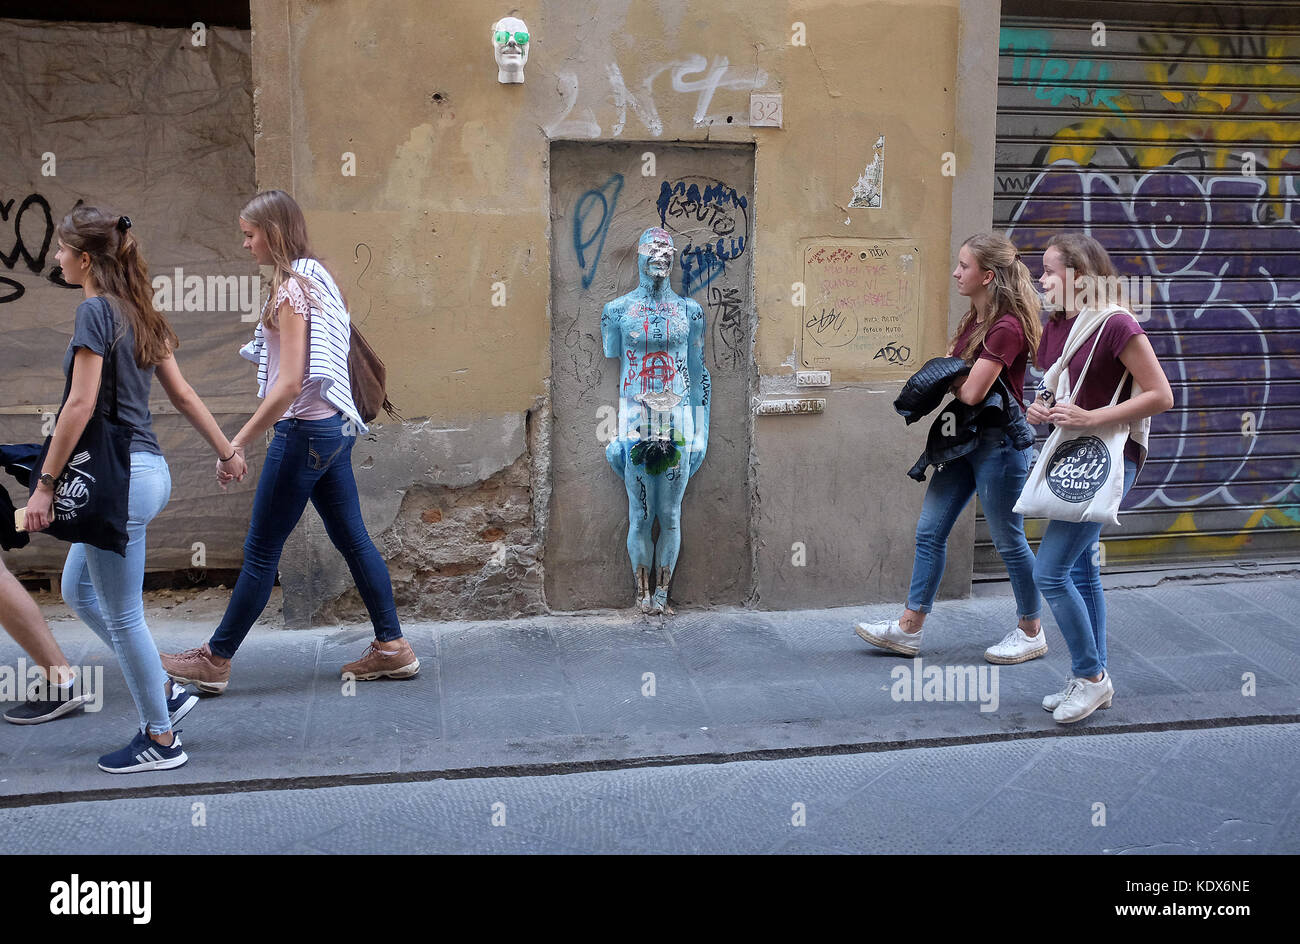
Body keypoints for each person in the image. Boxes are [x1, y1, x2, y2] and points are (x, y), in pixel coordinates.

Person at [161, 190, 417, 693]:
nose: (245, 244)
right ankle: (393, 648)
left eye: (250, 234)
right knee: (353, 538)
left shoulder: (292, 291)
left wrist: (235, 444)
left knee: (260, 551)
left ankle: (215, 660)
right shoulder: (318, 277)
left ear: (273, 234)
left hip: (305, 434)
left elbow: (288, 382)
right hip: (335, 430)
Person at [23, 205, 237, 770]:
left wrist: (44, 484)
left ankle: (161, 738)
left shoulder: (95, 311)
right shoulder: (142, 312)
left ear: (85, 259)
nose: (56, 258)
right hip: (148, 475)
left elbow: (81, 402)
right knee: (80, 591)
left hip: (118, 482)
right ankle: (162, 691)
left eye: (63, 250)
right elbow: (185, 395)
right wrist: (227, 451)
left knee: (123, 614)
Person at [856, 233, 1047, 663]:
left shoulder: (1006, 327)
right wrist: (956, 377)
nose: (957, 272)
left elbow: (971, 391)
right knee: (929, 532)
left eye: (964, 266)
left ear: (988, 275)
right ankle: (908, 630)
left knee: (1007, 539)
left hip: (999, 445)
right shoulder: (972, 322)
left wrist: (954, 377)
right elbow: (954, 376)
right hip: (963, 441)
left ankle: (1031, 629)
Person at [1028, 233, 1173, 723]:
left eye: (1050, 271)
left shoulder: (1116, 324)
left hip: (1110, 456)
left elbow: (1160, 395)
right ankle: (1092, 677)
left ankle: (1091, 678)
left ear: (1081, 277)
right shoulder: (1059, 326)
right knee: (1081, 570)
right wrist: (1043, 410)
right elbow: (1068, 391)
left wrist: (1092, 419)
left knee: (1049, 572)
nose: (1041, 279)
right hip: (1077, 454)